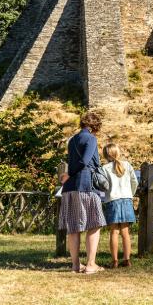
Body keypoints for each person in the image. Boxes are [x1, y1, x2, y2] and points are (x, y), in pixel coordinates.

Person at [58, 112, 107, 274]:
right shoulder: (91, 138)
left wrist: (68, 175)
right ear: (95, 126)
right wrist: (71, 173)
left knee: (73, 226)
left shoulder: (72, 140)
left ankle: (75, 265)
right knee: (94, 223)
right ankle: (91, 265)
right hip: (86, 185)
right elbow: (85, 161)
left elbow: (73, 161)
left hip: (69, 188)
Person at [101, 142, 138, 268]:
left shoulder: (104, 168)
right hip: (127, 200)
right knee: (125, 232)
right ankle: (127, 259)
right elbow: (134, 182)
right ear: (118, 152)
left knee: (114, 232)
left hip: (112, 201)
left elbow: (103, 186)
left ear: (106, 155)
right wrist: (130, 194)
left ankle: (115, 260)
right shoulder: (127, 165)